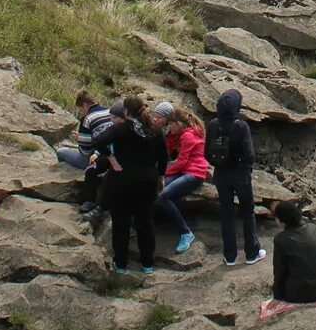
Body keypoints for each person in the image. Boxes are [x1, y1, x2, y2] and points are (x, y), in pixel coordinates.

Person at [90, 95, 168, 274]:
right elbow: (163, 156)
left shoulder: (120, 129)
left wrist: (111, 157)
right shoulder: (156, 130)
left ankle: (121, 264)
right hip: (148, 180)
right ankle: (147, 263)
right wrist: (161, 176)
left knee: (121, 223)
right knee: (145, 223)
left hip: (122, 179)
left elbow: (97, 141)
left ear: (125, 112)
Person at [208, 89, 263, 265]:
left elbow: (207, 154)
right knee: (248, 212)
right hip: (240, 175)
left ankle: (229, 256)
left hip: (221, 175)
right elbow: (249, 154)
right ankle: (251, 253)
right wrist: (244, 165)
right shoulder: (241, 126)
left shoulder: (213, 125)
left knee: (227, 214)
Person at [154, 103, 209, 255]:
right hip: (184, 171)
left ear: (178, 123)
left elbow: (182, 162)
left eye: (171, 124)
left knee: (163, 196)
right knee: (156, 188)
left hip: (193, 174)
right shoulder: (181, 133)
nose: (169, 127)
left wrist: (163, 173)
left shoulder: (188, 135)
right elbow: (169, 150)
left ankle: (186, 233)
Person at [270, 200, 316, 305]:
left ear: (282, 220)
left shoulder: (280, 240)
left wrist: (277, 296)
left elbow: (280, 271)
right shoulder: (312, 228)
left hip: (304, 295)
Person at [56, 91, 113, 173]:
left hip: (94, 158)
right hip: (112, 152)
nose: (81, 112)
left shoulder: (87, 119)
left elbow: (85, 152)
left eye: (80, 108)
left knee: (60, 152)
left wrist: (80, 139)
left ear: (85, 105)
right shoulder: (109, 111)